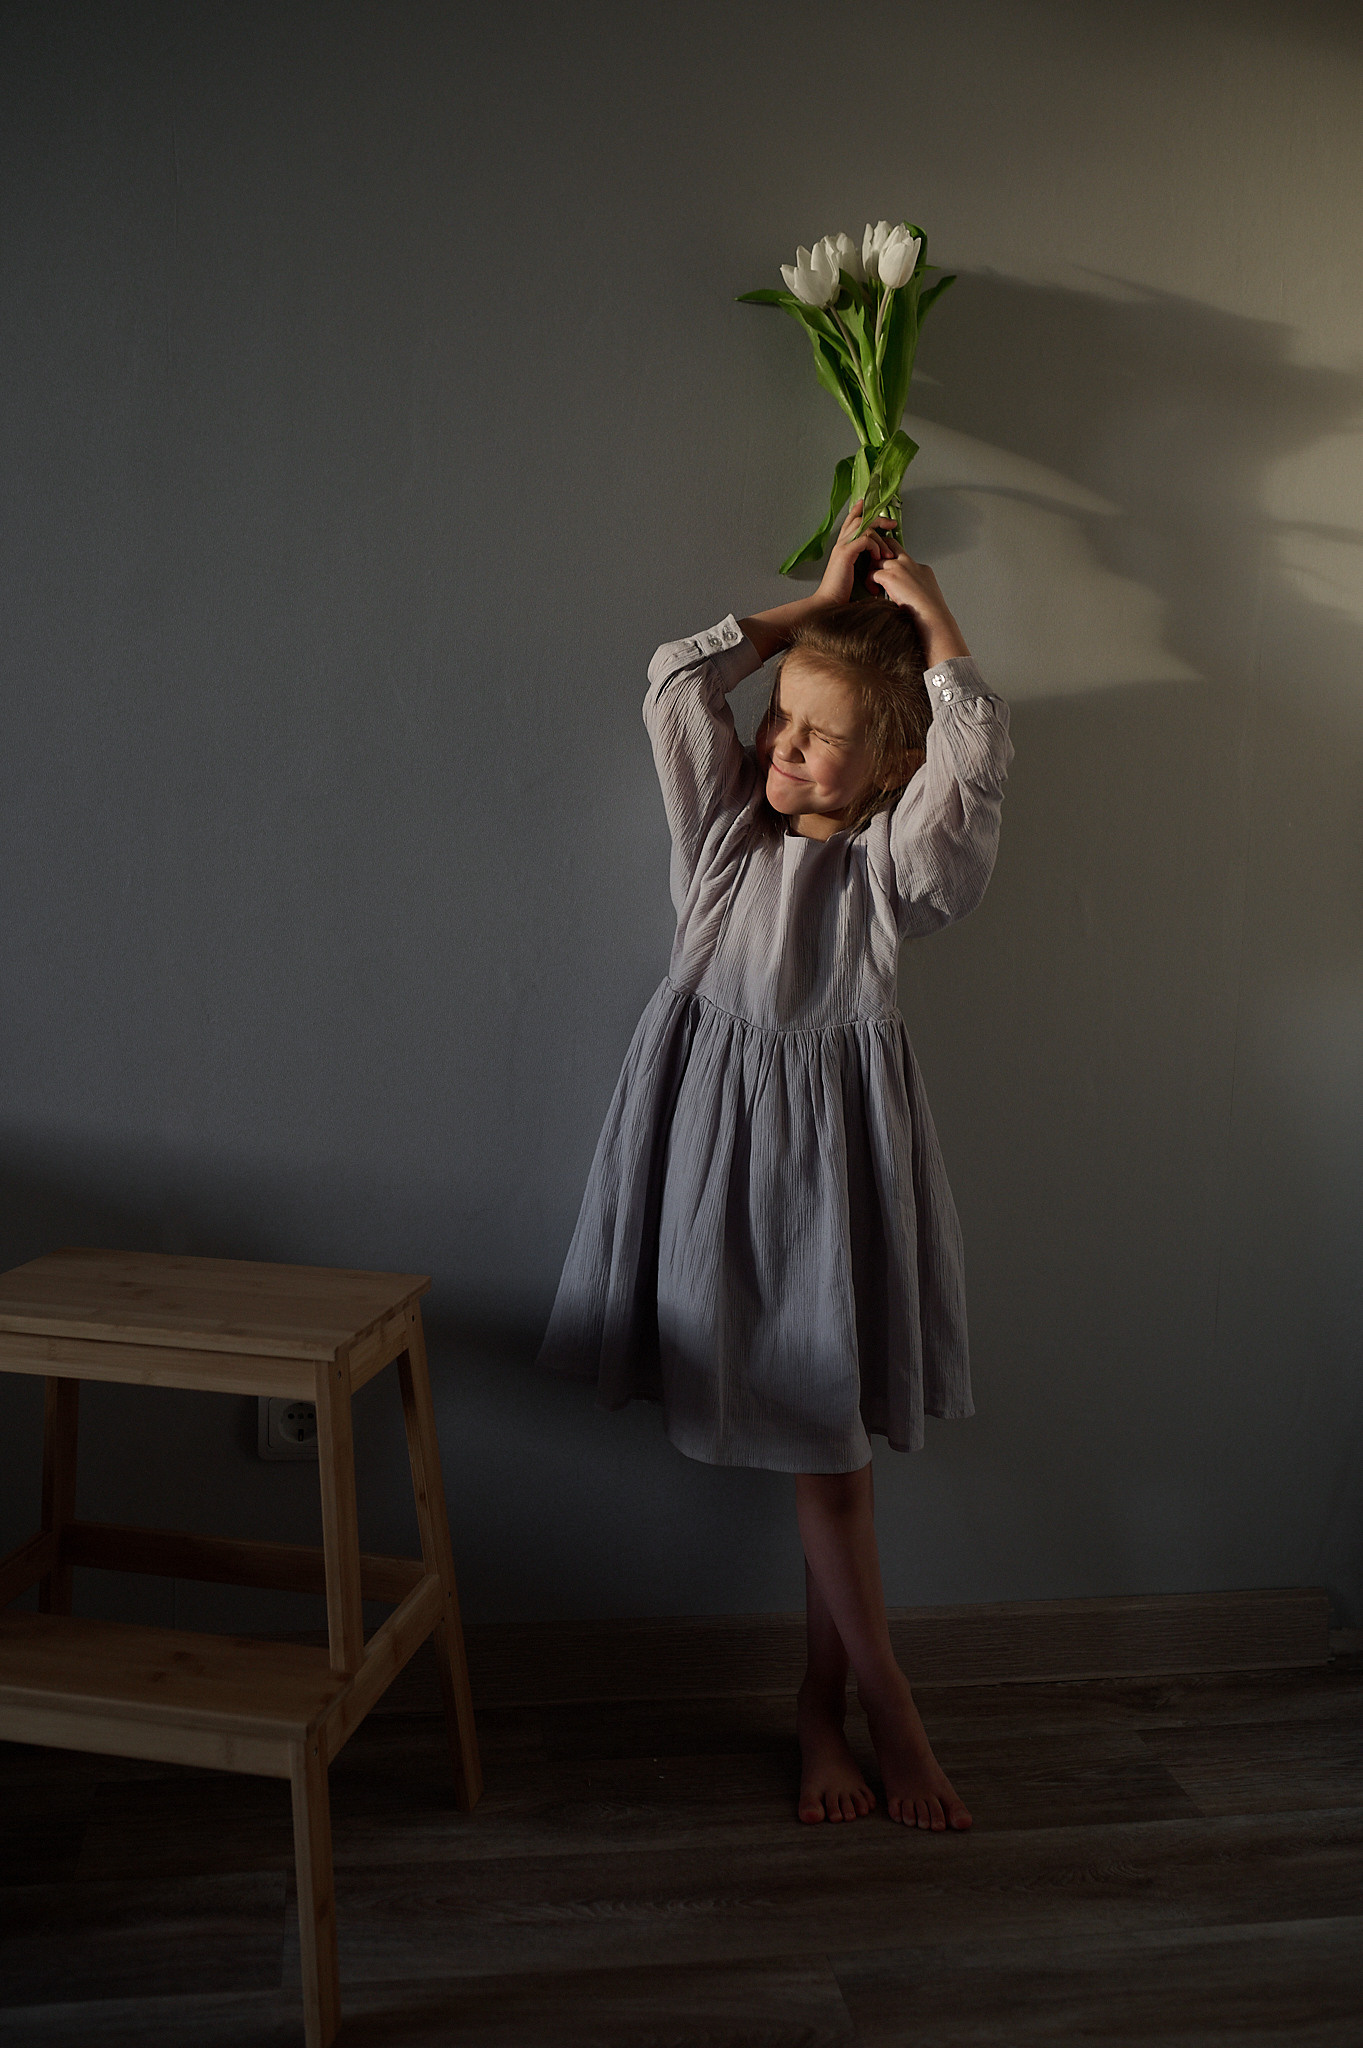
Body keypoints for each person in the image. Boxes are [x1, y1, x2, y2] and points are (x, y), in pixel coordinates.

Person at [538, 501, 1013, 1829]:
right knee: (825, 1461)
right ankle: (846, 1708)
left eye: (817, 735)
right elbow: (674, 684)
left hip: (832, 1182)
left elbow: (974, 768)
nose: (780, 745)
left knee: (833, 1459)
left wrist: (934, 624)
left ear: (889, 766)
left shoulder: (890, 875)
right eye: (781, 719)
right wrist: (812, 608)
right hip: (709, 1167)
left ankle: (858, 1708)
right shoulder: (722, 844)